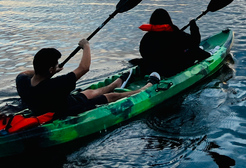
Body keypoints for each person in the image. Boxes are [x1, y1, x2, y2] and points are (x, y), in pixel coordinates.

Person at [16, 39, 148, 118]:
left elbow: (27, 72)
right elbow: (84, 68)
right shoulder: (56, 85)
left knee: (91, 92)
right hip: (67, 109)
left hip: (57, 103)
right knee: (111, 96)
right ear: (50, 69)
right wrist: (86, 46)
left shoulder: (22, 82)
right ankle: (141, 90)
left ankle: (116, 83)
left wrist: (50, 72)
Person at [138, 9, 210, 78]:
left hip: (152, 69)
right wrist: (192, 24)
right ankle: (208, 59)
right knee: (195, 50)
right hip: (172, 69)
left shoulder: (147, 37)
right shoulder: (175, 33)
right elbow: (195, 41)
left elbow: (143, 53)